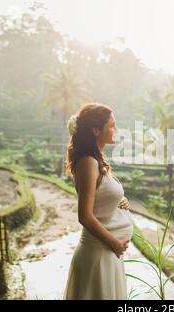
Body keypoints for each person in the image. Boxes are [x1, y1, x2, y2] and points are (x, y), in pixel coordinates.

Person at [63, 103, 134, 300]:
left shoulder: (97, 160)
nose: (116, 130)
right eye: (112, 125)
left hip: (108, 254)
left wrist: (120, 200)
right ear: (96, 130)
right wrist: (115, 243)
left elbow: (100, 196)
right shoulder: (88, 162)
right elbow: (85, 216)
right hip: (98, 255)